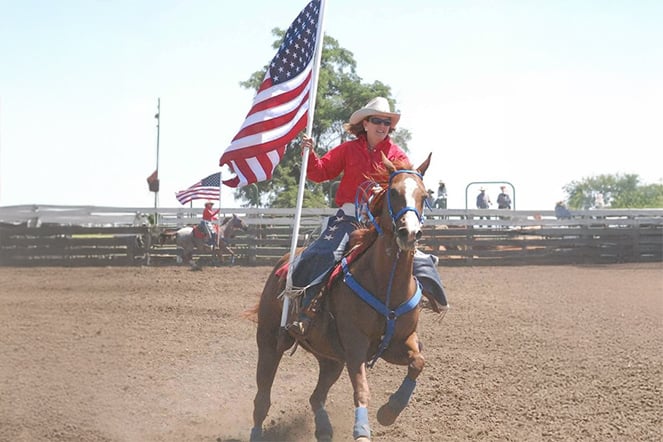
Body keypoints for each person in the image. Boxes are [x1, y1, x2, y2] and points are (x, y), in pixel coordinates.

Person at [288, 97, 448, 336]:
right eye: (377, 120)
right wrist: (309, 154)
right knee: (327, 252)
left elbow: (407, 183)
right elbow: (320, 172)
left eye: (386, 122)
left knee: (417, 256)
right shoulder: (348, 149)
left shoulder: (397, 154)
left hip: (383, 220)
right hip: (349, 217)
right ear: (365, 124)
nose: (382, 126)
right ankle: (308, 307)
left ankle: (433, 298)